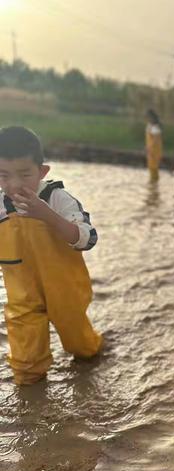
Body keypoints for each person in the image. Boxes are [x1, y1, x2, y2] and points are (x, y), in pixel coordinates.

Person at [0, 126, 102, 385]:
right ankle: (32, 410)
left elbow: (87, 238)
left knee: (82, 348)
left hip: (64, 286)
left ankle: (91, 360)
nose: (14, 185)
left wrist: (46, 214)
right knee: (26, 366)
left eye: (24, 175)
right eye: (3, 176)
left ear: (42, 171)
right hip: (21, 292)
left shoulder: (57, 198)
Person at [145, 109, 163, 182]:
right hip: (150, 150)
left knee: (154, 167)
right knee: (151, 167)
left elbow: (155, 140)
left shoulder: (155, 127)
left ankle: (154, 182)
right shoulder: (149, 126)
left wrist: (149, 147)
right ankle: (152, 183)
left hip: (154, 150)